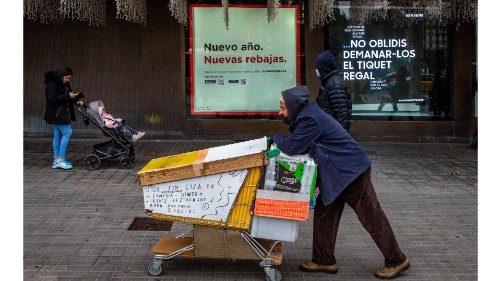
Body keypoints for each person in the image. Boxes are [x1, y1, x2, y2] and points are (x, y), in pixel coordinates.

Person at [271, 85, 409, 279]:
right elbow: (302, 145)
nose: (280, 112)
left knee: (371, 216)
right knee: (324, 214)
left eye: (283, 107)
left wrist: (274, 139)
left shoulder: (310, 119)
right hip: (335, 173)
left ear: (294, 106)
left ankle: (396, 260)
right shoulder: (306, 116)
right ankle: (323, 260)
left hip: (351, 172)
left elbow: (293, 147)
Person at [44, 67, 84, 170]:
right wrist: (68, 96)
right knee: (67, 132)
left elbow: (69, 95)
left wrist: (76, 100)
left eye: (69, 78)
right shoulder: (52, 84)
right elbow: (52, 99)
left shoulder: (65, 83)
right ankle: (60, 159)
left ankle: (57, 160)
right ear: (61, 76)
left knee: (57, 136)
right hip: (56, 114)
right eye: (67, 78)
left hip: (61, 113)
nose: (68, 80)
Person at [315, 50, 352, 132]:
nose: (316, 71)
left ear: (324, 68)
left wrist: (341, 140)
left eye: (318, 68)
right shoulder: (329, 82)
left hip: (334, 134)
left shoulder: (335, 85)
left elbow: (342, 116)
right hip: (330, 132)